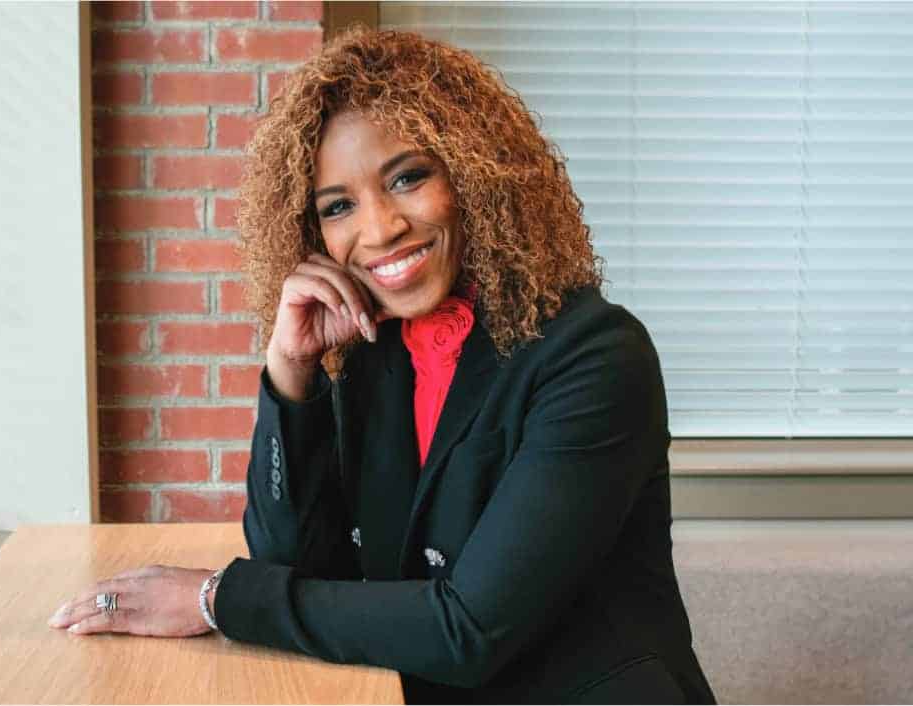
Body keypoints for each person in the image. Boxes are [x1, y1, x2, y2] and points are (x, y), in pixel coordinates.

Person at [49, 27, 716, 704]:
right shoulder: (375, 353)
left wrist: (213, 598)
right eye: (339, 206)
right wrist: (291, 373)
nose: (379, 229)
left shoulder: (596, 359)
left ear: (475, 173)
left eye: (408, 177)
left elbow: (469, 627)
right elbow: (296, 569)